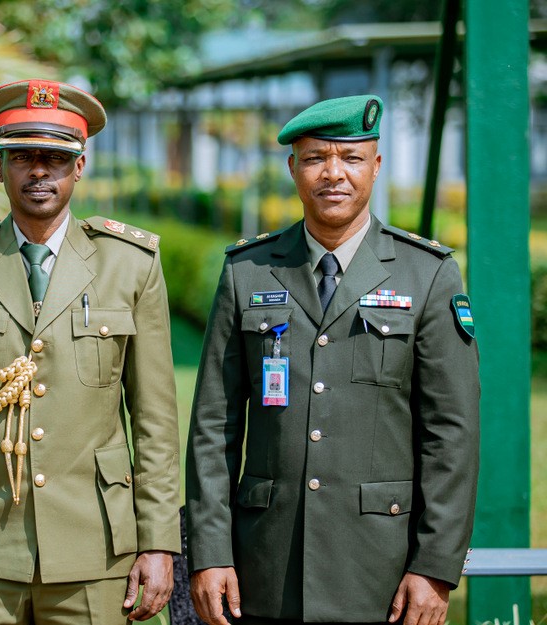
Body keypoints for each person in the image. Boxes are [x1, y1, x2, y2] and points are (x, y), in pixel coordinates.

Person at [185, 95, 480, 625]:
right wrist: (210, 553)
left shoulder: (427, 274)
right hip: (265, 566)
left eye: (351, 158)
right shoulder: (248, 271)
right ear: (293, 167)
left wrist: (435, 566)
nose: (333, 174)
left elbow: (451, 434)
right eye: (317, 158)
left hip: (380, 572)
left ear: (376, 166)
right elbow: (213, 425)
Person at [0, 79, 182, 625]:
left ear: (79, 167)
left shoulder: (131, 264)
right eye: (23, 156)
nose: (38, 171)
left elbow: (155, 423)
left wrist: (158, 542)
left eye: (55, 158)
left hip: (96, 547)